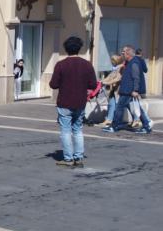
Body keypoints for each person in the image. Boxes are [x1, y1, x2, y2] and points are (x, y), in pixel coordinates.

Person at [48, 37, 97, 167]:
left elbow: (53, 84)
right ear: (79, 48)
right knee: (78, 130)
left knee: (65, 130)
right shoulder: (87, 65)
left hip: (64, 101)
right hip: (80, 102)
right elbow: (93, 84)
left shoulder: (61, 65)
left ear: (66, 49)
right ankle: (79, 157)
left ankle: (68, 158)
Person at [103, 45, 151, 134]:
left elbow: (136, 77)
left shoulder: (134, 63)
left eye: (123, 52)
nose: (122, 54)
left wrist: (135, 90)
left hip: (129, 91)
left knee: (119, 108)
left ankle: (114, 126)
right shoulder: (129, 63)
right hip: (127, 90)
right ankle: (146, 125)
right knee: (137, 108)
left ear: (128, 53)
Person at [100, 54, 124, 127]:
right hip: (113, 89)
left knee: (119, 105)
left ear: (116, 60)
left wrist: (105, 82)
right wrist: (102, 81)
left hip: (118, 89)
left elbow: (117, 79)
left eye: (112, 60)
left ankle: (136, 119)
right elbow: (110, 77)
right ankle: (109, 119)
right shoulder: (115, 68)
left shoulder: (120, 68)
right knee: (111, 104)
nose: (111, 62)